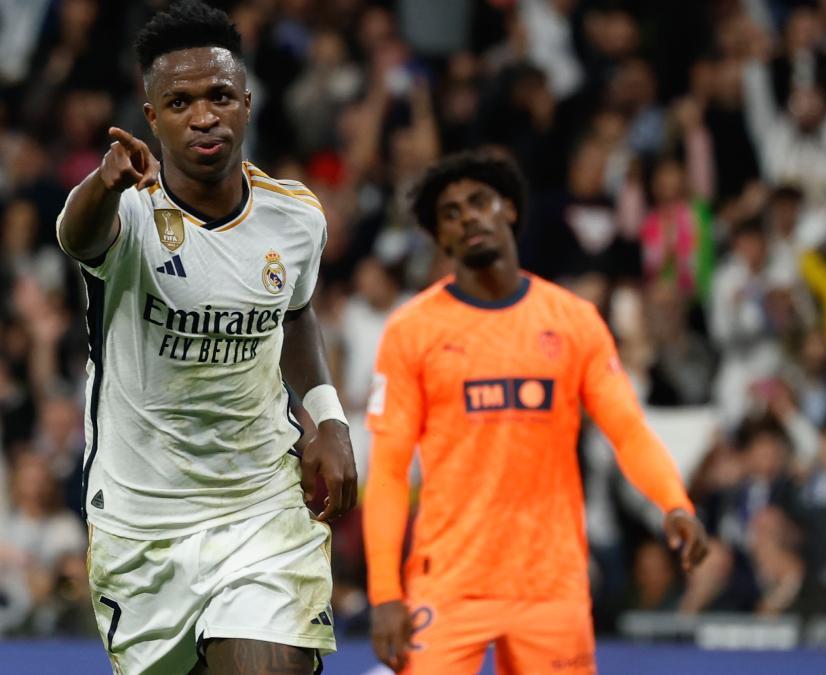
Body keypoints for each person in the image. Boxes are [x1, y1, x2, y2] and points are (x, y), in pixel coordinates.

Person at [54, 2, 356, 673]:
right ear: (152, 116)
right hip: (143, 524)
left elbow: (296, 312)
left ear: (246, 103)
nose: (203, 116)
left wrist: (330, 418)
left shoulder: (295, 217)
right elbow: (77, 236)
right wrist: (103, 182)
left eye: (219, 96)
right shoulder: (128, 210)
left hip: (261, 503)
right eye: (179, 102)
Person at [364, 151, 707, 674]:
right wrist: (385, 591)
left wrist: (674, 502)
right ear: (441, 239)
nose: (467, 217)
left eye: (479, 202)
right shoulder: (411, 331)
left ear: (509, 209)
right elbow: (389, 470)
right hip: (449, 579)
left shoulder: (574, 320)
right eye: (451, 213)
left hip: (551, 582)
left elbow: (628, 431)